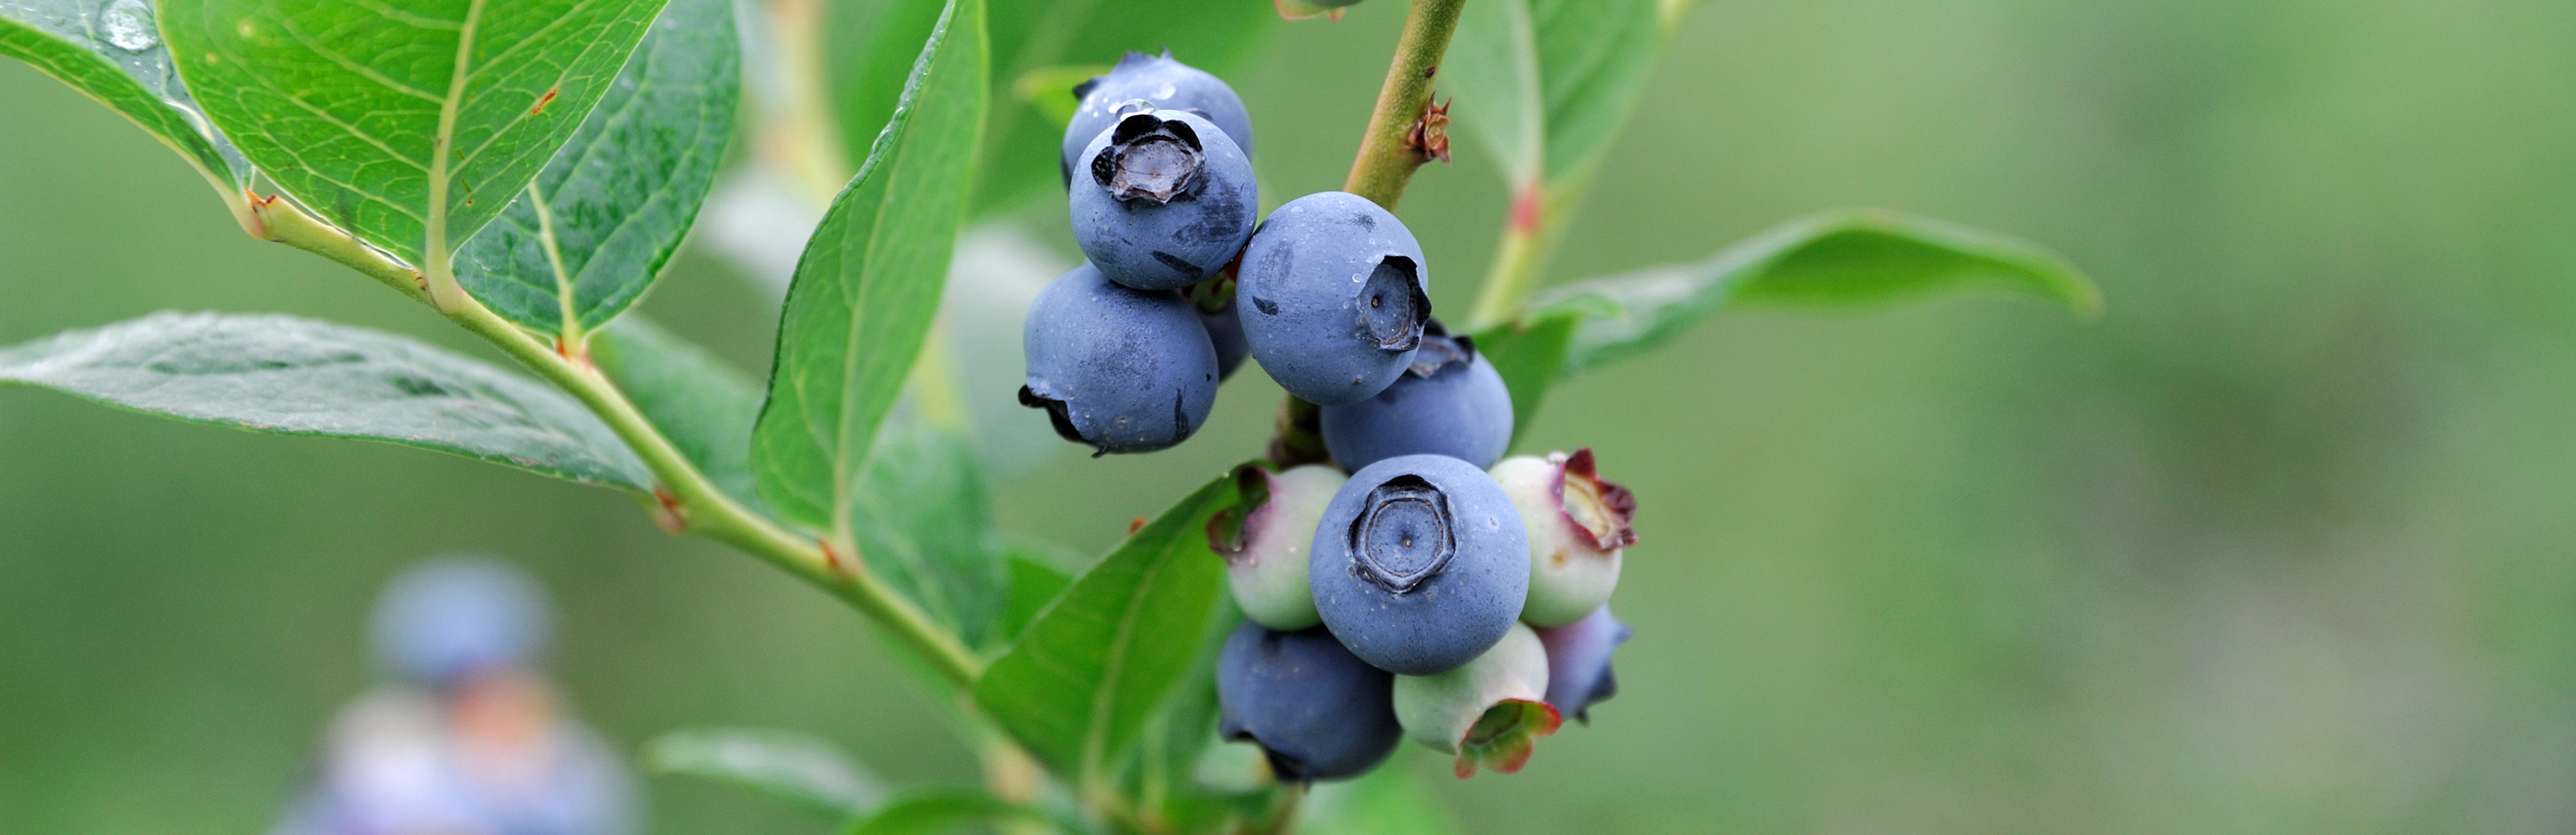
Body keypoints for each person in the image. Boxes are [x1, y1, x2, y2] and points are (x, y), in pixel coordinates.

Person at [270, 558, 639, 835]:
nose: (488, 706)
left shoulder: (575, 774)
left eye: (500, 685)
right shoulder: (374, 771)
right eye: (462, 693)